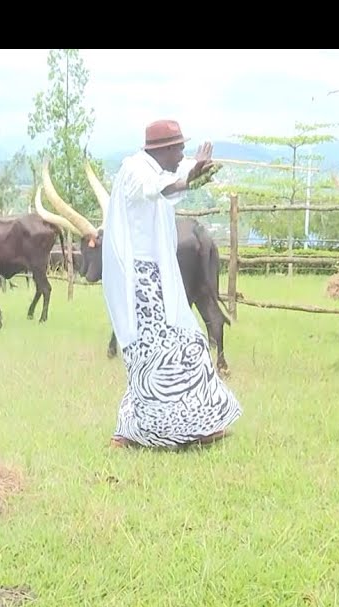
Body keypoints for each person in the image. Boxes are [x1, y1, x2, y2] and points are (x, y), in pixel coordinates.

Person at [101, 119, 243, 450]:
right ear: (163, 150)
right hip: (139, 279)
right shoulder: (135, 171)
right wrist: (187, 179)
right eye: (179, 149)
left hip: (156, 276)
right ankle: (128, 432)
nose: (182, 154)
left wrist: (196, 167)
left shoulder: (155, 167)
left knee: (188, 340)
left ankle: (198, 424)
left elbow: (173, 178)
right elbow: (161, 187)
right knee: (150, 351)